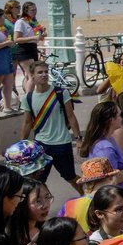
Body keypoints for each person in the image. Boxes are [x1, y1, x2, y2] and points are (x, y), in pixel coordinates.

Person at [18, 61, 81, 191]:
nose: (44, 75)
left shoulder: (60, 93)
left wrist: (78, 138)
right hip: (41, 145)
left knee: (70, 177)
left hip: (62, 143)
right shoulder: (28, 98)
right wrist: (21, 144)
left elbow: (71, 117)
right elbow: (27, 122)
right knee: (38, 181)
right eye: (40, 72)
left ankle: (88, 198)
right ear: (33, 76)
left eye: (46, 72)